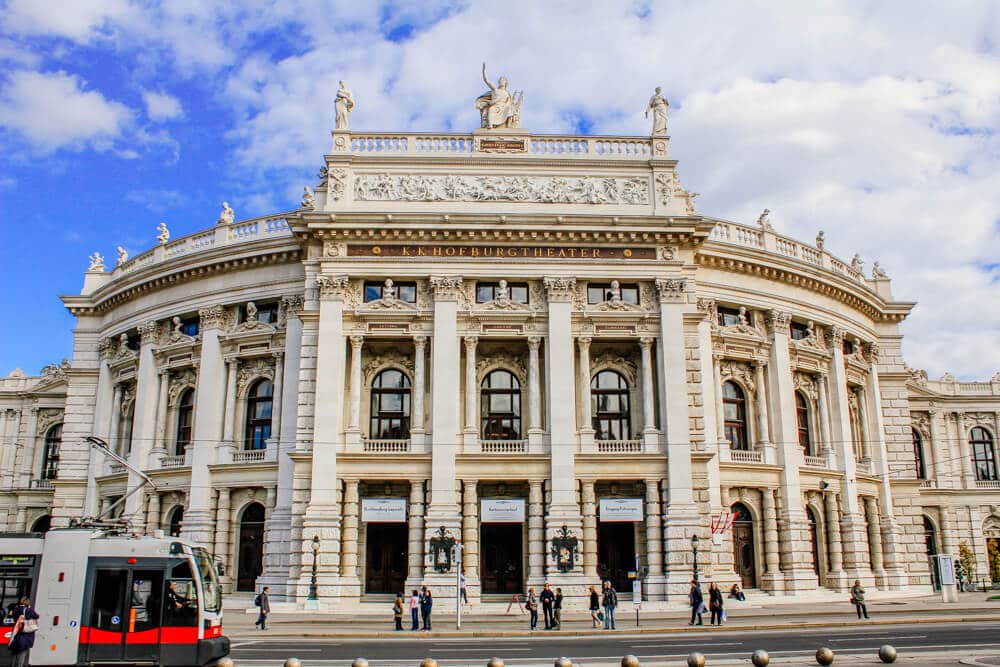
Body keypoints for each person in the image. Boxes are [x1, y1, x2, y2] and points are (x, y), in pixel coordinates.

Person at [8, 596, 39, 667]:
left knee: (14, 653)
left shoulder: (16, 609)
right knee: (22, 655)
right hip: (25, 636)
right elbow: (36, 616)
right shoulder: (28, 610)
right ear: (27, 602)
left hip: (16, 635)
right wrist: (29, 608)